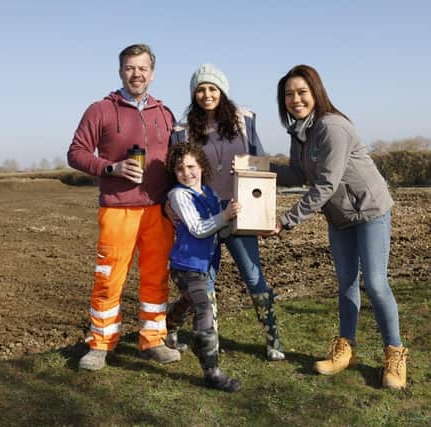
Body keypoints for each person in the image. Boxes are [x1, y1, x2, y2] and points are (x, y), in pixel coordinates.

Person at [268, 64, 408, 389]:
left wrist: (285, 221)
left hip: (369, 210)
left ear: (315, 92)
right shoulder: (299, 133)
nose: (295, 99)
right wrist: (259, 167)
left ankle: (395, 354)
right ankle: (346, 349)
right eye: (289, 94)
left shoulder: (332, 127)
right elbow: (298, 175)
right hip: (340, 217)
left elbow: (326, 184)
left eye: (301, 92)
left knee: (374, 282)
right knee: (345, 283)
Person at [67, 43, 180, 370]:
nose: (137, 74)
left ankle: (153, 339)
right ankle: (101, 344)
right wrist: (110, 168)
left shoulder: (165, 113)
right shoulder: (100, 110)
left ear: (152, 73)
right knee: (108, 278)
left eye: (143, 68)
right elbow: (75, 153)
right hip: (117, 209)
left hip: (157, 211)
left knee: (156, 277)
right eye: (130, 68)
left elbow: (176, 158)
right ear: (120, 71)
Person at [166, 63, 285, 361]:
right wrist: (168, 205)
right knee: (203, 281)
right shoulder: (182, 132)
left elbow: (261, 163)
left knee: (253, 275)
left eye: (212, 88)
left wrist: (248, 167)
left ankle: (273, 339)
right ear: (194, 94)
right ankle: (207, 342)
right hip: (203, 212)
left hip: (239, 209)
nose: (207, 94)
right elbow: (175, 171)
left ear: (222, 91)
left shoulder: (243, 121)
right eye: (201, 89)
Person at [166, 143, 242, 392]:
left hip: (205, 265)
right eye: (179, 168)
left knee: (188, 303)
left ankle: (168, 326)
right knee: (203, 309)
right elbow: (198, 229)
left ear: (201, 167)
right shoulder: (179, 195)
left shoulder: (208, 193)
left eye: (191, 166)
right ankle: (212, 372)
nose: (186, 173)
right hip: (185, 265)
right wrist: (225, 217)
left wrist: (234, 219)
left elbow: (220, 230)